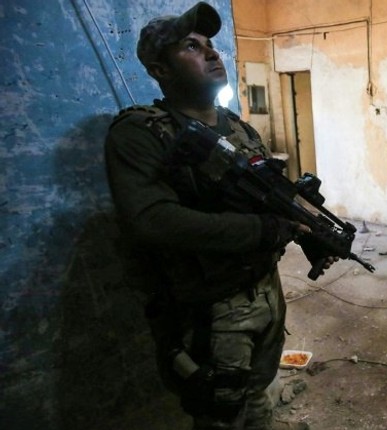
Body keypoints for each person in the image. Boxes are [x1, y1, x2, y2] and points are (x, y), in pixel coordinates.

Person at [104, 3, 332, 429]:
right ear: (160, 70)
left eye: (212, 46)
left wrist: (307, 228)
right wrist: (264, 229)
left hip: (265, 294)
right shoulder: (141, 133)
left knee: (258, 394)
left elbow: (271, 200)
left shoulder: (239, 129)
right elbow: (151, 221)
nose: (212, 54)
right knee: (220, 413)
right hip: (207, 308)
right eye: (192, 46)